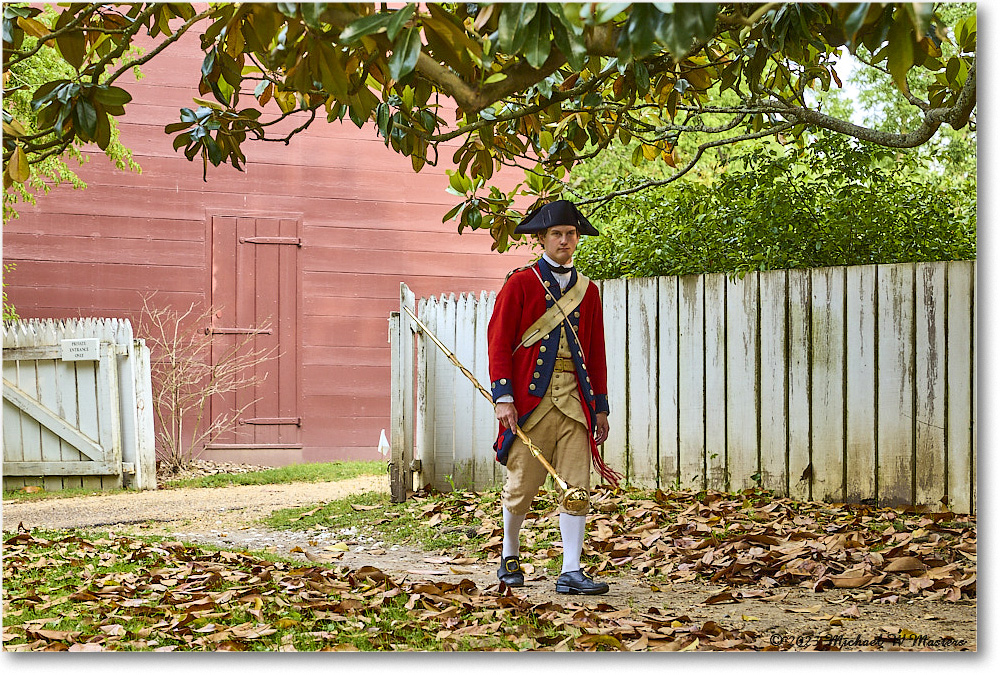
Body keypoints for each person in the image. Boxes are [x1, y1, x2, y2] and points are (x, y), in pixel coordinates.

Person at [487, 199, 621, 595]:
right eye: (557, 234)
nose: (565, 240)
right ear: (542, 239)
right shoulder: (520, 283)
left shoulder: (588, 291)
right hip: (531, 402)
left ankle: (571, 569)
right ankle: (510, 552)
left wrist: (600, 406)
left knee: (577, 486)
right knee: (522, 486)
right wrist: (503, 397)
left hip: (575, 402)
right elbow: (499, 344)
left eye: (571, 234)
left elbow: (595, 352)